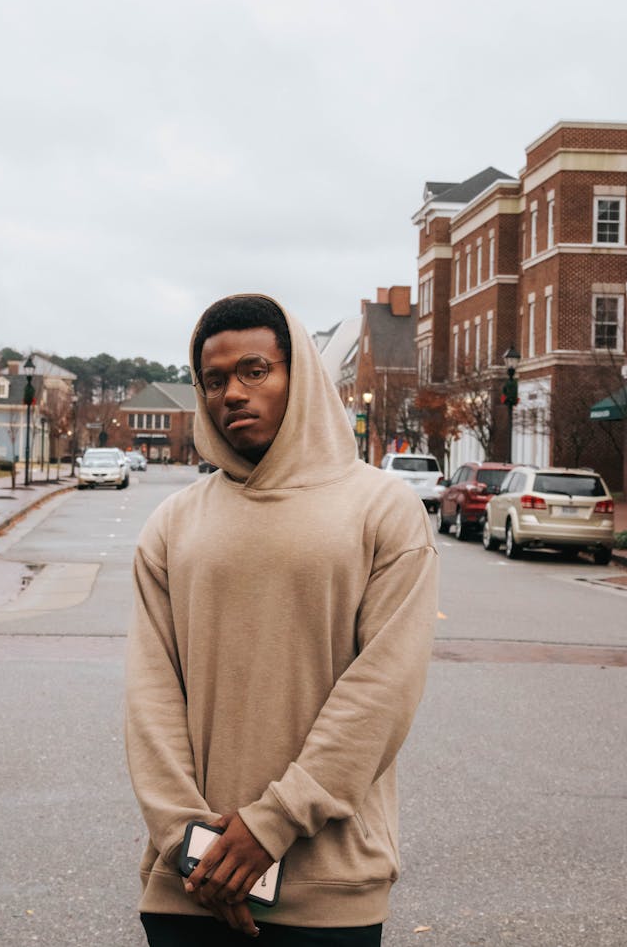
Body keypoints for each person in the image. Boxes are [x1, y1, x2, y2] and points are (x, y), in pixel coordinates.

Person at [126, 294, 438, 946]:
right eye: (214, 380)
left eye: (254, 370)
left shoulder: (383, 510)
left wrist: (273, 822)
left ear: (300, 377)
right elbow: (151, 700)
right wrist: (196, 849)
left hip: (326, 892)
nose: (231, 393)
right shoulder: (172, 524)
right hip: (189, 890)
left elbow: (381, 692)